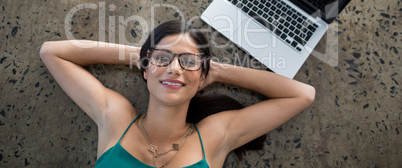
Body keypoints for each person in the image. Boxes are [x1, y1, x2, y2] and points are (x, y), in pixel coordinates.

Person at [39, 20, 315, 168]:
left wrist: (217, 71)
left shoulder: (214, 136)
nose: (174, 69)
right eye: (163, 59)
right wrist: (142, 55)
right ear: (144, 69)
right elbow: (52, 52)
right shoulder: (116, 118)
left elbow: (302, 95)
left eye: (189, 62)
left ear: (202, 77)